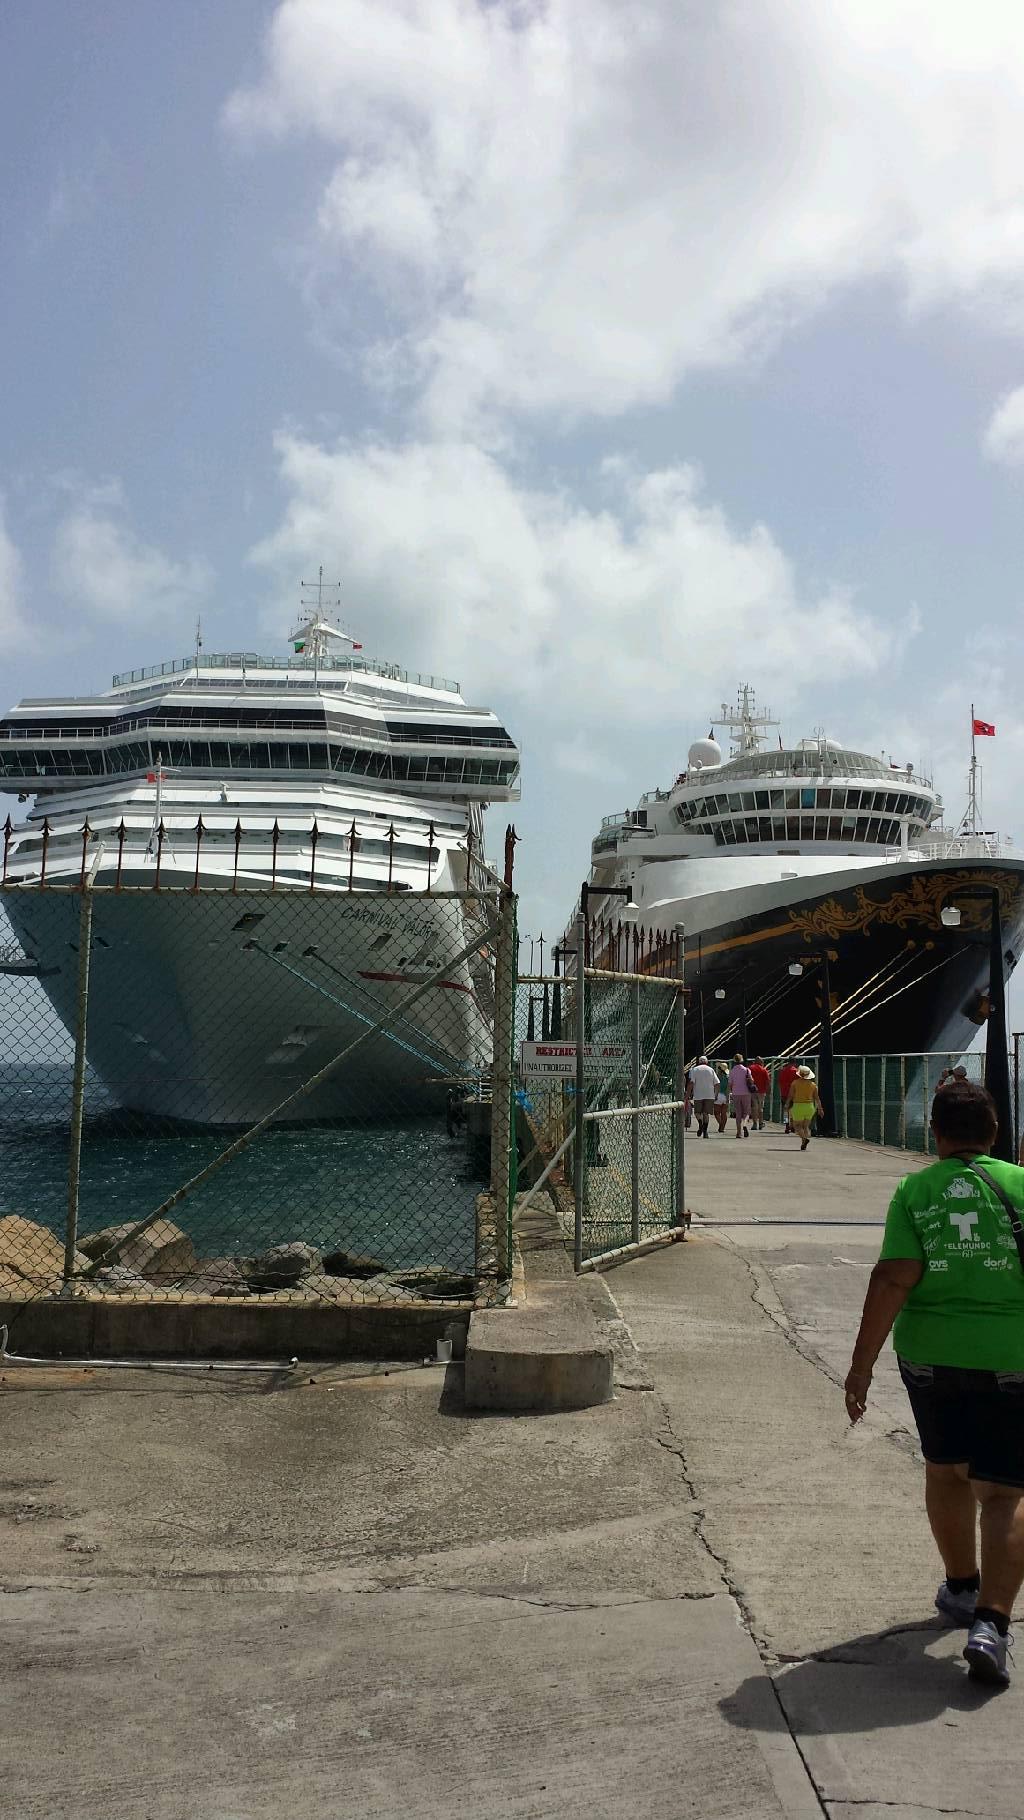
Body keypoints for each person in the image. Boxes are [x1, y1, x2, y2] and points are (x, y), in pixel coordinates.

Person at [845, 1081, 1024, 1688]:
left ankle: (961, 1587)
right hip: (1013, 1357)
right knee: (1004, 1491)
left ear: (937, 1135)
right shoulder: (1023, 1185)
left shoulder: (915, 1189)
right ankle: (992, 1625)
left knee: (946, 1471)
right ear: (996, 1132)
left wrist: (861, 1365)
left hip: (930, 1358)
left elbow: (895, 1277)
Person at [785, 1065, 823, 1151]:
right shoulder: (813, 1085)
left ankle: (804, 1139)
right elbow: (817, 1098)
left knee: (797, 1126)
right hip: (809, 1107)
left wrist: (787, 1104)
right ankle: (803, 1143)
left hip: (798, 1106)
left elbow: (790, 1095)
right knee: (806, 1126)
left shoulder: (795, 1083)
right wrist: (820, 1109)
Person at [688, 1055, 718, 1139]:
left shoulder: (695, 1069)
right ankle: (705, 1132)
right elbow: (717, 1083)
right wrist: (715, 1094)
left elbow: (691, 1083)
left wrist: (688, 1095)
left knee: (697, 1112)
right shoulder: (711, 1070)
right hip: (709, 1095)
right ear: (707, 1062)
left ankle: (700, 1123)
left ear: (699, 1062)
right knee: (706, 1114)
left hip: (698, 1095)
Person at [727, 1053, 755, 1138]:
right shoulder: (746, 1070)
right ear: (742, 1060)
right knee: (746, 1112)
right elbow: (752, 1081)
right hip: (746, 1093)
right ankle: (745, 1124)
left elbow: (730, 1084)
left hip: (736, 1093)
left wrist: (727, 1095)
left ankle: (738, 1133)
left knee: (738, 1113)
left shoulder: (732, 1071)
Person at [748, 1056, 770, 1130]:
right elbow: (767, 1082)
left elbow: (747, 1078)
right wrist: (768, 1091)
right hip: (761, 1091)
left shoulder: (750, 1068)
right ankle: (760, 1123)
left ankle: (754, 1124)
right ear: (761, 1062)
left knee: (754, 1107)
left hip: (752, 1091)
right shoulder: (764, 1070)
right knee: (760, 1108)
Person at [778, 1058, 799, 1133]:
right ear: (794, 1062)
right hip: (794, 1093)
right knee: (794, 1110)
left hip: (784, 1093)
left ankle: (787, 1126)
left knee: (786, 1111)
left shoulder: (782, 1071)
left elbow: (780, 1081)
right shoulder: (796, 1071)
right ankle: (793, 1126)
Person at [714, 1064, 730, 1133]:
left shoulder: (717, 1076)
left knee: (717, 1113)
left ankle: (721, 1125)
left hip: (718, 1095)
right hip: (725, 1095)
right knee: (724, 1113)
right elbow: (728, 1088)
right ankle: (722, 1127)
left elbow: (716, 1087)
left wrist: (715, 1096)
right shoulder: (728, 1077)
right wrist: (727, 1097)